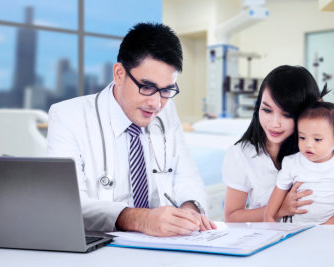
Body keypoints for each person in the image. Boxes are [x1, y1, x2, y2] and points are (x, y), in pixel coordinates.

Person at [47, 22, 216, 236]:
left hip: (162, 248)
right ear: (119, 74)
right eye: (147, 87)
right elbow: (68, 203)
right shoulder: (68, 116)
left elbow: (187, 177)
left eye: (166, 90)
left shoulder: (167, 109)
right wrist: (140, 219)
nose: (156, 103)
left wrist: (189, 210)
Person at [222, 65, 334, 223]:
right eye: (267, 110)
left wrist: (324, 231)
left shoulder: (325, 146)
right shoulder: (241, 154)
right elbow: (232, 216)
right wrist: (281, 209)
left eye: (287, 114)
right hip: (270, 242)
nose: (274, 124)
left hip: (326, 241)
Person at [265, 97, 334, 224]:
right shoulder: (292, 163)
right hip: (294, 231)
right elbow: (271, 211)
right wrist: (269, 223)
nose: (308, 145)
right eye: (302, 137)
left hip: (330, 233)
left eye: (317, 139)